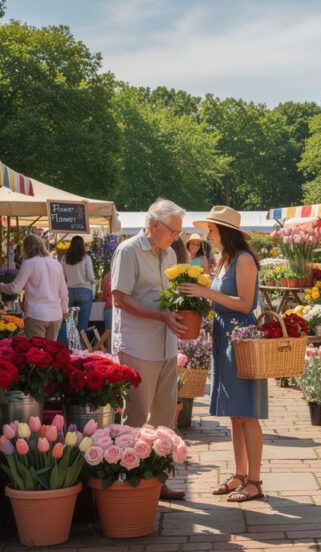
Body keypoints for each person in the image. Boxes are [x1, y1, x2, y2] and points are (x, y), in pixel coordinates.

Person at [179, 206, 267, 503]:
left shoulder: (243, 260)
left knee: (248, 412)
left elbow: (245, 304)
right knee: (235, 413)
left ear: (225, 232)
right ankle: (240, 475)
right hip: (223, 335)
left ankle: (254, 481)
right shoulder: (223, 259)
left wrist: (207, 295)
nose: (208, 236)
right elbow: (219, 300)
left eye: (212, 231)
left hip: (240, 336)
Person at [110, 198, 188, 501]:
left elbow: (167, 298)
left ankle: (158, 480)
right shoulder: (128, 251)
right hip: (138, 346)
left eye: (179, 232)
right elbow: (120, 298)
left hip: (167, 345)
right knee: (136, 416)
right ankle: (131, 483)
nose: (176, 237)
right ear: (154, 225)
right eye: (173, 230)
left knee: (165, 418)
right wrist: (161, 316)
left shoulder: (168, 254)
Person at [0, 235, 68, 340]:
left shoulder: (28, 264)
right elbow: (63, 291)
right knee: (50, 352)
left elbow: (15, 288)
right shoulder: (56, 264)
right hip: (55, 315)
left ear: (26, 248)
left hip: (36, 314)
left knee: (35, 352)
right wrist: (64, 309)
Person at [58, 236, 96, 345]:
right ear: (82, 245)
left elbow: (63, 278)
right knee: (83, 325)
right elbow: (91, 277)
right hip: (84, 291)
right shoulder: (86, 258)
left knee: (69, 323)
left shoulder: (65, 258)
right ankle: (81, 349)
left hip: (69, 292)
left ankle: (69, 347)